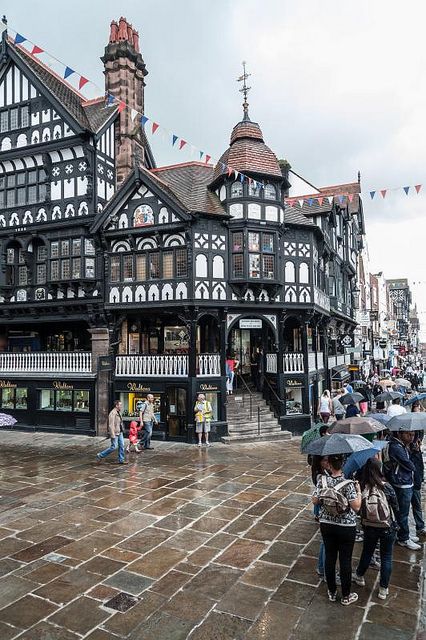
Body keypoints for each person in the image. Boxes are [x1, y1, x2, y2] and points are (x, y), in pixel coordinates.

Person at [312, 454, 361, 605]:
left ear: (329, 465)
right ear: (343, 464)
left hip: (326, 524)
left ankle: (332, 592)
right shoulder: (349, 484)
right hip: (346, 526)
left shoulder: (322, 480)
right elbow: (356, 506)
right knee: (345, 560)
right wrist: (358, 491)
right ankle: (346, 596)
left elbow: (314, 500)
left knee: (330, 557)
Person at [352, 458, 399, 600]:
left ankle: (359, 576)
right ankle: (383, 589)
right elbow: (396, 507)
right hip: (387, 527)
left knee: (367, 552)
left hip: (369, 527)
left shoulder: (362, 486)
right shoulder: (387, 487)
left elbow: (358, 510)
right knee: (386, 557)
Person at [384, 430, 420, 550]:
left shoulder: (402, 446)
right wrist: (414, 454)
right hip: (401, 483)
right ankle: (403, 538)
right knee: (402, 513)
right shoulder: (396, 447)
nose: (411, 437)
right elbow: (410, 465)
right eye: (408, 434)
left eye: (413, 434)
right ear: (399, 434)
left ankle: (404, 534)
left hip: (404, 481)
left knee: (402, 512)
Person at [96, 400, 128, 465]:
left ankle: (121, 460)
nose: (121, 406)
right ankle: (100, 455)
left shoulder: (119, 412)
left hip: (120, 432)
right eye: (120, 405)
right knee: (114, 447)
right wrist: (112, 434)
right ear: (116, 405)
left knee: (122, 445)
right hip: (115, 433)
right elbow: (111, 425)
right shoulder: (112, 413)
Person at [410, 430, 426, 537]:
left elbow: (420, 467)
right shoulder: (406, 449)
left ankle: (420, 526)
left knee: (417, 505)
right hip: (408, 482)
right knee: (404, 508)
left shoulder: (416, 451)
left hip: (415, 482)